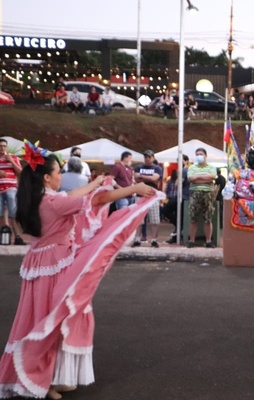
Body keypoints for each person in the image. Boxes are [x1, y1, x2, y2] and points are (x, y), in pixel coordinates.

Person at [0, 142, 158, 400]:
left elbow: (76, 196)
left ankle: (51, 376)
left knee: (43, 317)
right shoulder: (53, 202)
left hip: (39, 264)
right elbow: (98, 200)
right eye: (58, 172)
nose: (62, 176)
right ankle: (42, 381)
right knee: (54, 319)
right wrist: (135, 189)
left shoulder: (37, 198)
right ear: (48, 178)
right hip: (55, 265)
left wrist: (96, 182)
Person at [132, 150, 163, 248]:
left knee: (154, 219)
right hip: (140, 196)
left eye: (149, 157)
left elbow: (155, 178)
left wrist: (141, 176)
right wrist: (147, 177)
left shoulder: (157, 168)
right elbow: (135, 179)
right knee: (139, 219)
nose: (147, 158)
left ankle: (154, 239)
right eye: (145, 157)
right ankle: (137, 239)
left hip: (152, 196)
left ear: (153, 158)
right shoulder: (138, 167)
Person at [187, 148, 217, 248]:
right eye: (197, 154)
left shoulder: (211, 167)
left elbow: (212, 177)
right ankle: (191, 241)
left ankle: (208, 241)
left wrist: (197, 177)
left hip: (208, 193)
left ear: (205, 155)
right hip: (195, 193)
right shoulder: (191, 167)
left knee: (208, 218)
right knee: (193, 217)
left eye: (201, 154)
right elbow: (191, 179)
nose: (199, 156)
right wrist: (205, 178)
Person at [0, 138, 25, 245]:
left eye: (4, 146)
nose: (2, 148)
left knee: (13, 213)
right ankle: (3, 237)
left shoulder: (13, 157)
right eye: (0, 146)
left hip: (11, 188)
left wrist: (11, 161)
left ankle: (18, 237)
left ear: (7, 147)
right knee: (0, 214)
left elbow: (21, 173)